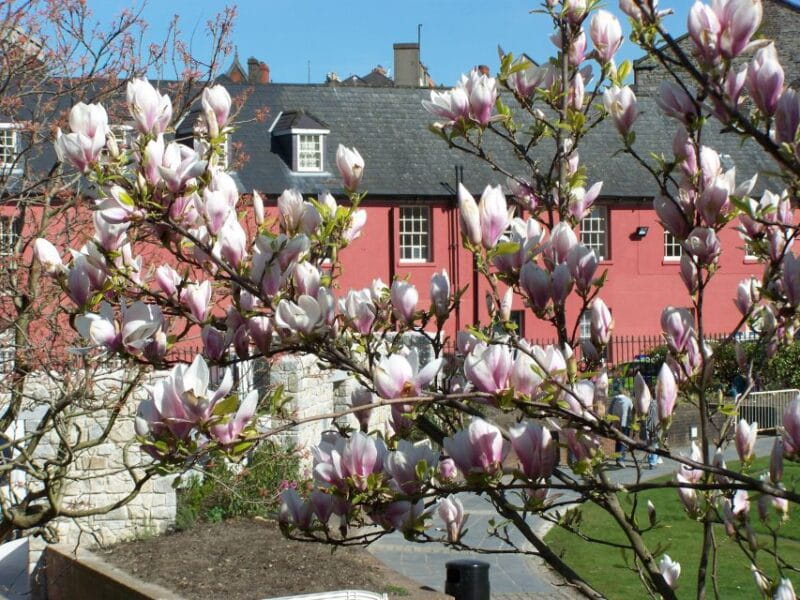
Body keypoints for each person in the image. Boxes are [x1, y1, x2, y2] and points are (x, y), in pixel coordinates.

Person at [608, 383, 634, 468]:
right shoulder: (628, 400)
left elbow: (610, 410)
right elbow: (632, 412)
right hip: (625, 423)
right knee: (624, 441)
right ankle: (621, 459)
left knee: (618, 441)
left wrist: (610, 421)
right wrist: (633, 423)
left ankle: (617, 459)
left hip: (616, 423)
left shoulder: (614, 399)